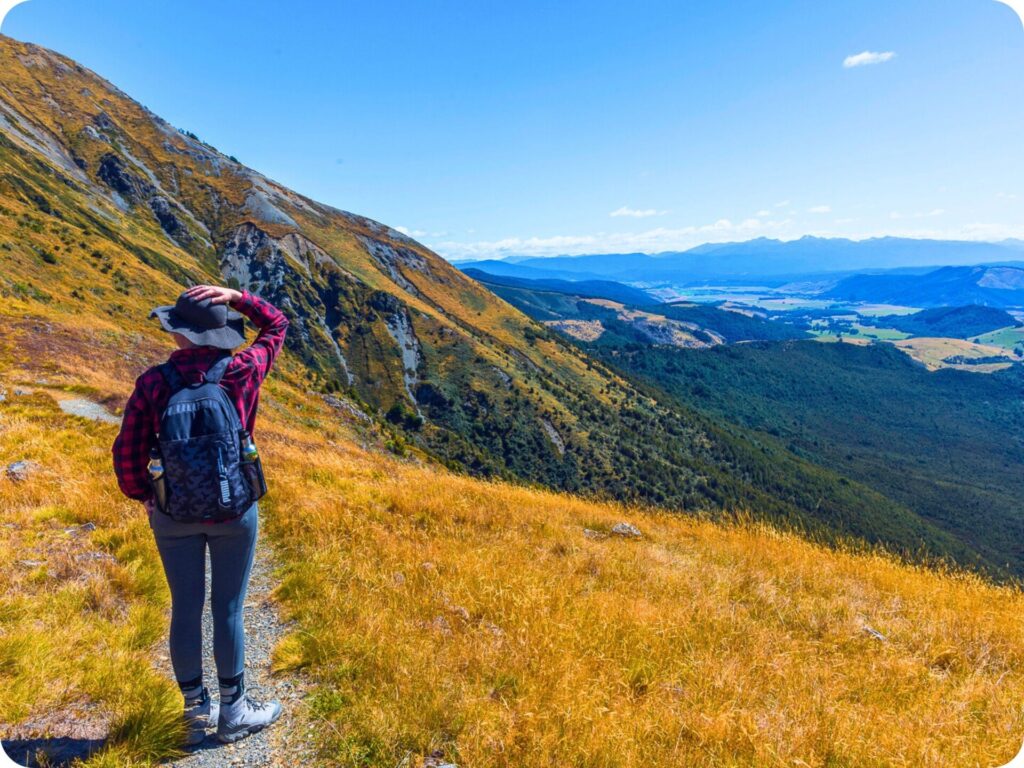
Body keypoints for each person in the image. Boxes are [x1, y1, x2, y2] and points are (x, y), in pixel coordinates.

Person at [112, 284, 289, 745]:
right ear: (221, 332)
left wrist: (146, 497)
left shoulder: (152, 383)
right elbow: (278, 324)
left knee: (185, 607)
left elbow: (127, 453)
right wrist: (237, 296)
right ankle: (234, 712)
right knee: (227, 608)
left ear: (179, 335)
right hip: (234, 512)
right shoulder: (243, 369)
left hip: (173, 515)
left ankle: (193, 713)